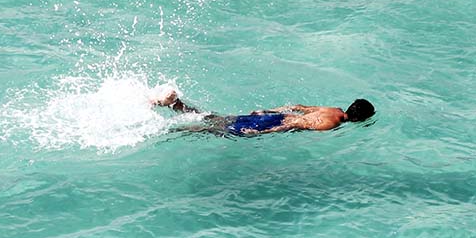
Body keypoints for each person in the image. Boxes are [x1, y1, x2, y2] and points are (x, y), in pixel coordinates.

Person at [149, 86, 374, 136]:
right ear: (358, 119)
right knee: (212, 130)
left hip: (271, 116)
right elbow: (296, 124)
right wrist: (263, 132)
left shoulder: (332, 109)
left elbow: (298, 108)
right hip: (269, 123)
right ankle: (166, 130)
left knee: (215, 118)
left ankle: (177, 104)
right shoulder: (331, 124)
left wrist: (268, 111)